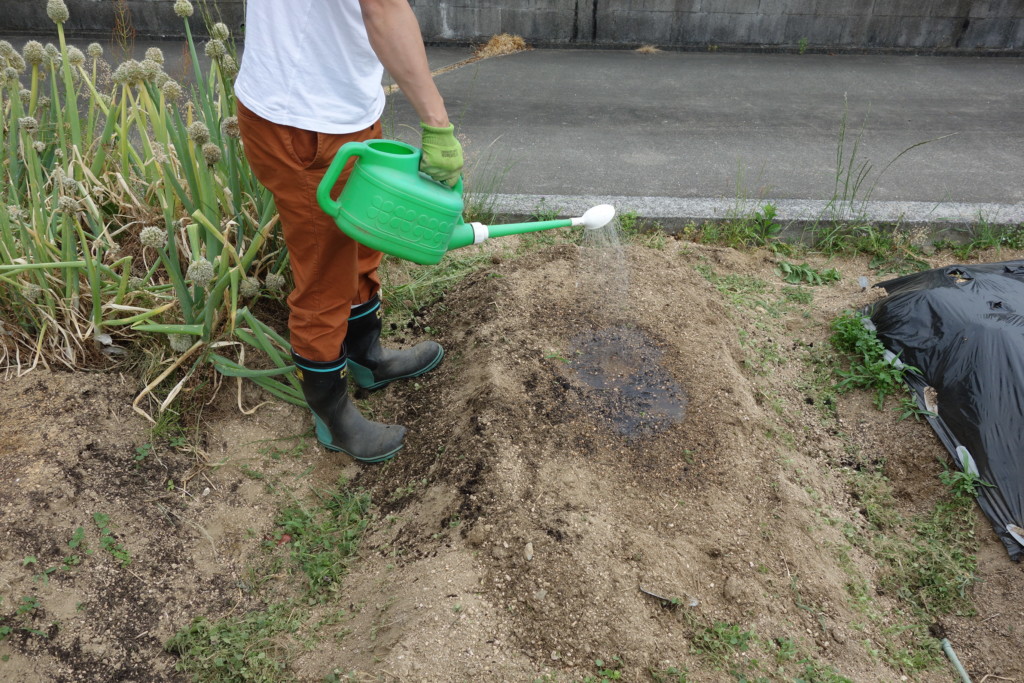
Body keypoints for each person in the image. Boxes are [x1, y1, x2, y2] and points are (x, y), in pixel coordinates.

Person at [234, 0, 463, 463]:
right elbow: (383, 9)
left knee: (358, 241)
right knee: (326, 274)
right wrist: (437, 124)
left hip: (334, 104)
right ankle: (332, 412)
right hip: (305, 121)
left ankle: (365, 355)